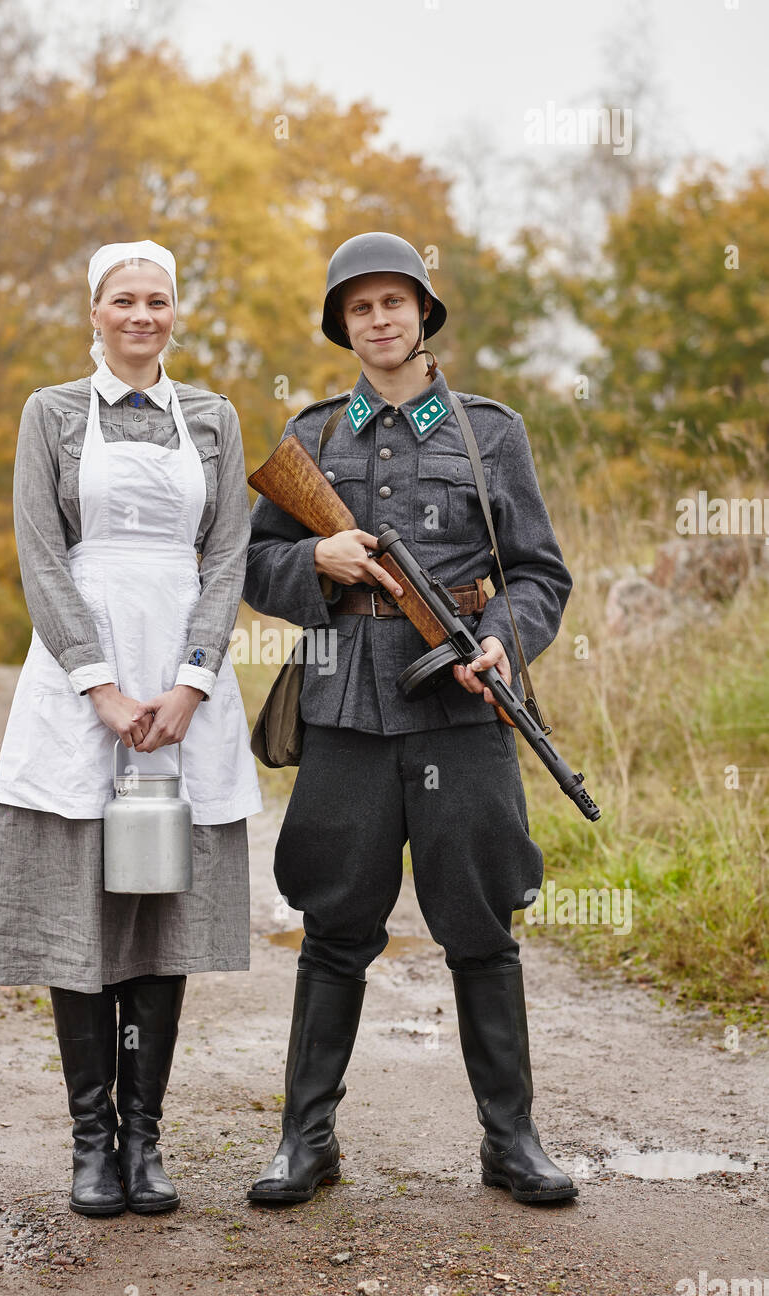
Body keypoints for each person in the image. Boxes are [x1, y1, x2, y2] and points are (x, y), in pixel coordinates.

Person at [242, 231, 578, 1205]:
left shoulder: (489, 431)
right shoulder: (310, 436)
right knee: (334, 923)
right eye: (360, 306)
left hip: (460, 709)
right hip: (345, 707)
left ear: (422, 314)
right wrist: (314, 563)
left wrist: (505, 640)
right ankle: (306, 1142)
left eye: (395, 302)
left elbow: (540, 573)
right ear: (342, 324)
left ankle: (509, 1142)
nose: (379, 319)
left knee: (480, 925)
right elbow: (255, 565)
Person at [0, 240, 262, 1218]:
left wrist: (191, 682)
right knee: (83, 906)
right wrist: (97, 684)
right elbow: (40, 555)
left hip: (183, 681)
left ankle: (146, 1142)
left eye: (158, 300)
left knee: (160, 903)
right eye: (123, 300)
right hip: (76, 682)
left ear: (175, 313)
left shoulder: (215, 418)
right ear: (94, 311)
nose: (142, 314)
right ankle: (90, 1143)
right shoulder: (50, 413)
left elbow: (226, 560)